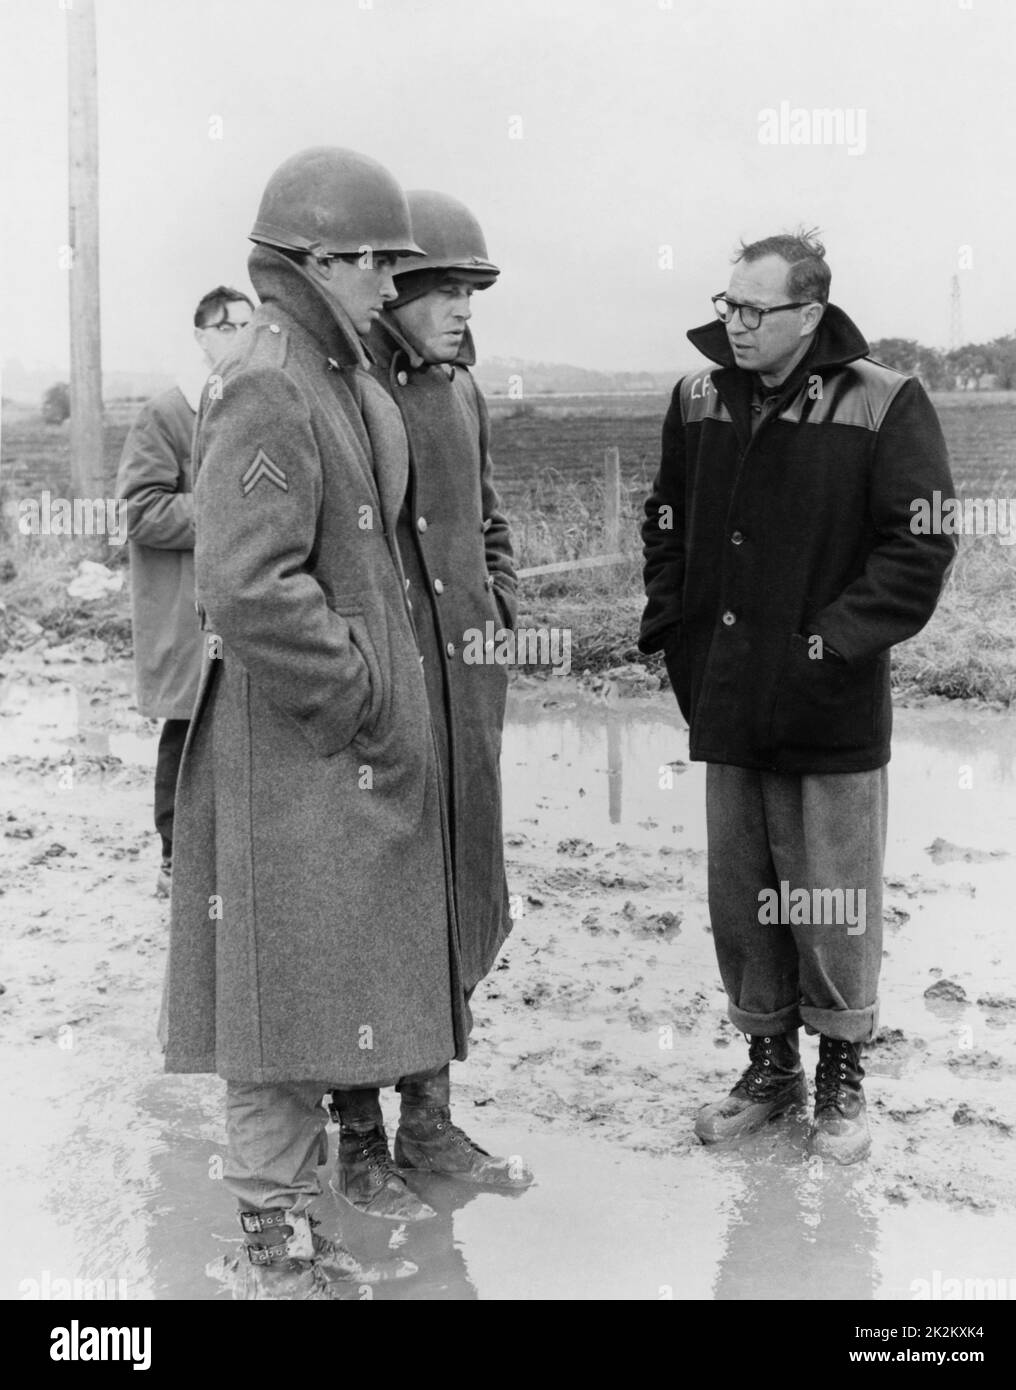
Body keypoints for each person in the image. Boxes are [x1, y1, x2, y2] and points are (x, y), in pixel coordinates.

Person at [163, 147, 468, 1298]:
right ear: (319, 259)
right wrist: (358, 697)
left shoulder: (334, 374)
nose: (393, 285)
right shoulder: (271, 383)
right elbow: (245, 582)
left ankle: (287, 1222)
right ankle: (274, 1240)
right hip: (291, 747)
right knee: (272, 1001)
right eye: (378, 262)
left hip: (325, 751)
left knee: (305, 992)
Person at [639, 229, 956, 1164]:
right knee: (744, 894)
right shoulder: (696, 398)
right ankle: (768, 1066)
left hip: (830, 705)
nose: (730, 323)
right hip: (727, 699)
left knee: (830, 896)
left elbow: (919, 546)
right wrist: (676, 638)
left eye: (752, 309)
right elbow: (664, 522)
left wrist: (833, 647)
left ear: (809, 313)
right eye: (726, 303)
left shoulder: (885, 400)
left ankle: (842, 1078)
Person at [330, 190, 530, 1220]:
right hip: (384, 703)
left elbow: (485, 516)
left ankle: (434, 1125)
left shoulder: (458, 391)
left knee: (453, 890)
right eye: (444, 287)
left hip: (466, 690)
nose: (461, 308)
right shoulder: (345, 391)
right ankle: (359, 1143)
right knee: (374, 910)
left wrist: (500, 604)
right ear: (393, 287)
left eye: (470, 289)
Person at [116, 286, 253, 896]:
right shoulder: (167, 414)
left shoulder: (253, 404)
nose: (240, 336)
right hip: (185, 604)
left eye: (251, 325)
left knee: (248, 723)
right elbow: (140, 512)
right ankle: (176, 853)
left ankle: (238, 848)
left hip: (247, 601)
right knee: (188, 723)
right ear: (200, 336)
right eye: (226, 327)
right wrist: (220, 509)